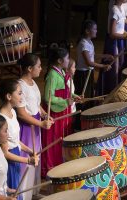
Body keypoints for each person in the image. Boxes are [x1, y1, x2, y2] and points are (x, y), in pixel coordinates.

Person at [16, 53, 53, 199]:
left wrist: (44, 114)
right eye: (38, 66)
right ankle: (23, 194)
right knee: (28, 158)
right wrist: (41, 123)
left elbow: (36, 105)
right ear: (30, 68)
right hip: (26, 127)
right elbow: (22, 114)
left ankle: (32, 191)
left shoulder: (33, 82)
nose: (41, 68)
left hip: (36, 124)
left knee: (36, 155)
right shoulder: (20, 85)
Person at [0, 79, 39, 199]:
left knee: (18, 190)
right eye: (19, 93)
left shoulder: (13, 112)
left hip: (16, 154)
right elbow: (5, 153)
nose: (22, 96)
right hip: (9, 160)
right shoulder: (2, 120)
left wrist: (30, 151)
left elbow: (15, 141)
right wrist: (27, 161)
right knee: (13, 190)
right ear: (9, 96)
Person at [41, 47, 75, 177]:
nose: (68, 60)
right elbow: (48, 97)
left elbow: (66, 92)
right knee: (54, 140)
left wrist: (74, 96)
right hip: (55, 112)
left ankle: (60, 163)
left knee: (61, 138)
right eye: (67, 58)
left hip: (62, 110)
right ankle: (50, 167)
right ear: (60, 60)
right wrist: (65, 102)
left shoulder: (60, 71)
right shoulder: (52, 75)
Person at [97, 0, 127, 95]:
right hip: (113, 43)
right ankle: (110, 94)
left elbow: (121, 30)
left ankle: (118, 93)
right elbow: (112, 34)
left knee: (119, 68)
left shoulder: (122, 8)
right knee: (113, 70)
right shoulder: (114, 10)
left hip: (120, 41)